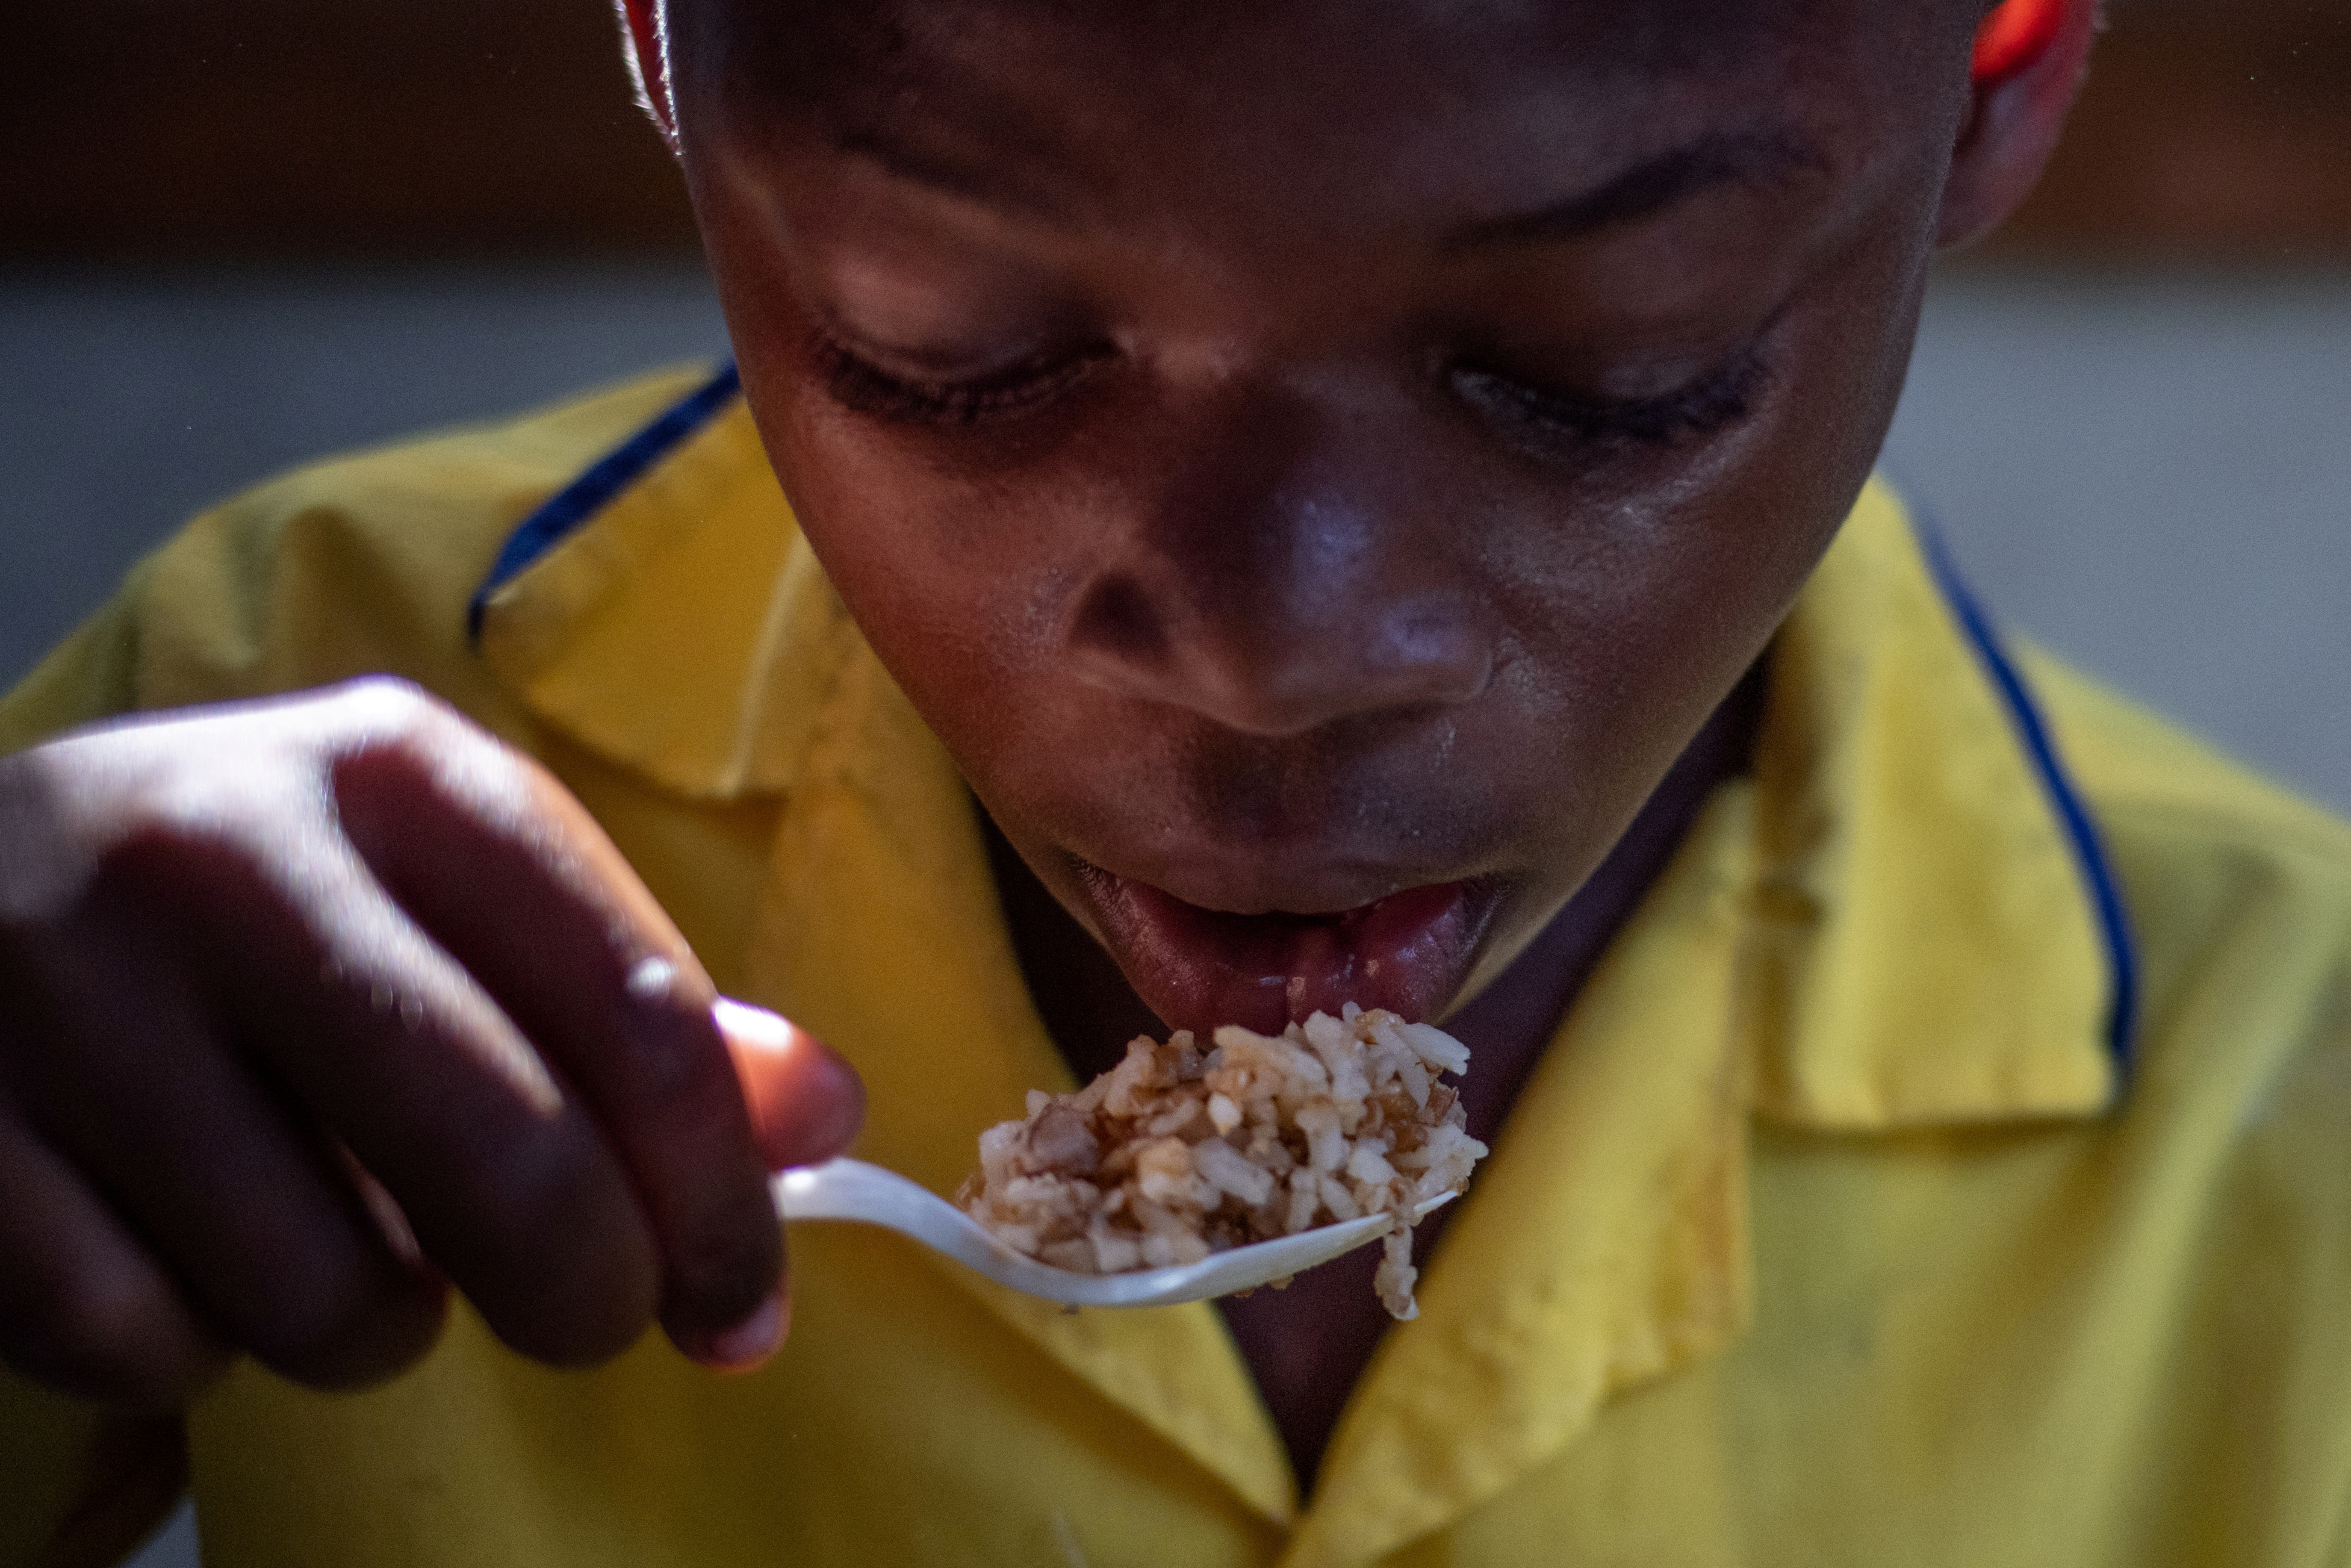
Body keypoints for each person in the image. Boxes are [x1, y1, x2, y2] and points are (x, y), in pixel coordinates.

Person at [4, 0, 2347, 1562]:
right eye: (958, 349)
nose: (1273, 657)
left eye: (1606, 374)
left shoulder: (2297, 1151)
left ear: (1997, 55)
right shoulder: (244, 753)